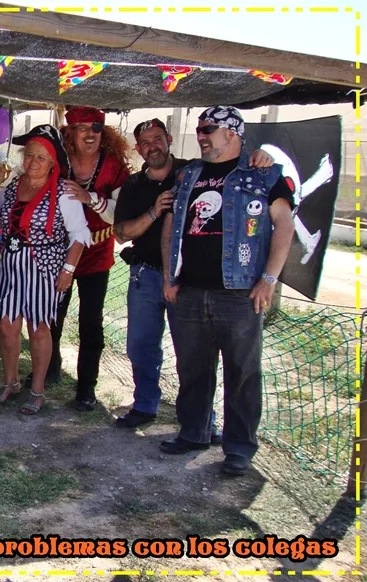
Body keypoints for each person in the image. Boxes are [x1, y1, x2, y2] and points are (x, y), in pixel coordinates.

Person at [114, 119, 275, 431]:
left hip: (187, 280)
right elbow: (121, 233)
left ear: (169, 139)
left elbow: (232, 159)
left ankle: (201, 422)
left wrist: (261, 155)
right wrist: (154, 212)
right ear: (138, 149)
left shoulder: (193, 171)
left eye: (157, 139)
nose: (152, 147)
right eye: (145, 143)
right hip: (145, 274)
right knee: (140, 346)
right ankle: (145, 405)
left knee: (194, 354)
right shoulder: (133, 185)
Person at [160, 106, 295, 477]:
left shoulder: (264, 174)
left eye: (208, 129)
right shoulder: (188, 174)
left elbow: (284, 226)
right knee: (192, 368)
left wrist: (269, 279)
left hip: (239, 292)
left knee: (242, 373)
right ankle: (194, 432)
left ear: (232, 133)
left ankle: (238, 448)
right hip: (190, 289)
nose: (201, 136)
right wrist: (170, 276)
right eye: (199, 129)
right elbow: (171, 226)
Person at [0, 125, 91, 415]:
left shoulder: (64, 192)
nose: (33, 161)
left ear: (53, 162)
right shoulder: (12, 185)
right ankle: (10, 383)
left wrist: (68, 269)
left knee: (38, 328)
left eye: (41, 157)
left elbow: (80, 234)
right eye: (30, 155)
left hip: (44, 268)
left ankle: (37, 390)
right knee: (7, 326)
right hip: (11, 264)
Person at [40, 106, 131, 411]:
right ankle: (48, 368)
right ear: (70, 132)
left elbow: (121, 213)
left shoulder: (113, 165)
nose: (90, 134)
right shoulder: (59, 160)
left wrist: (89, 198)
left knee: (91, 321)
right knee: (52, 315)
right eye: (82, 128)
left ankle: (86, 387)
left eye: (96, 128)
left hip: (97, 252)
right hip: (60, 251)